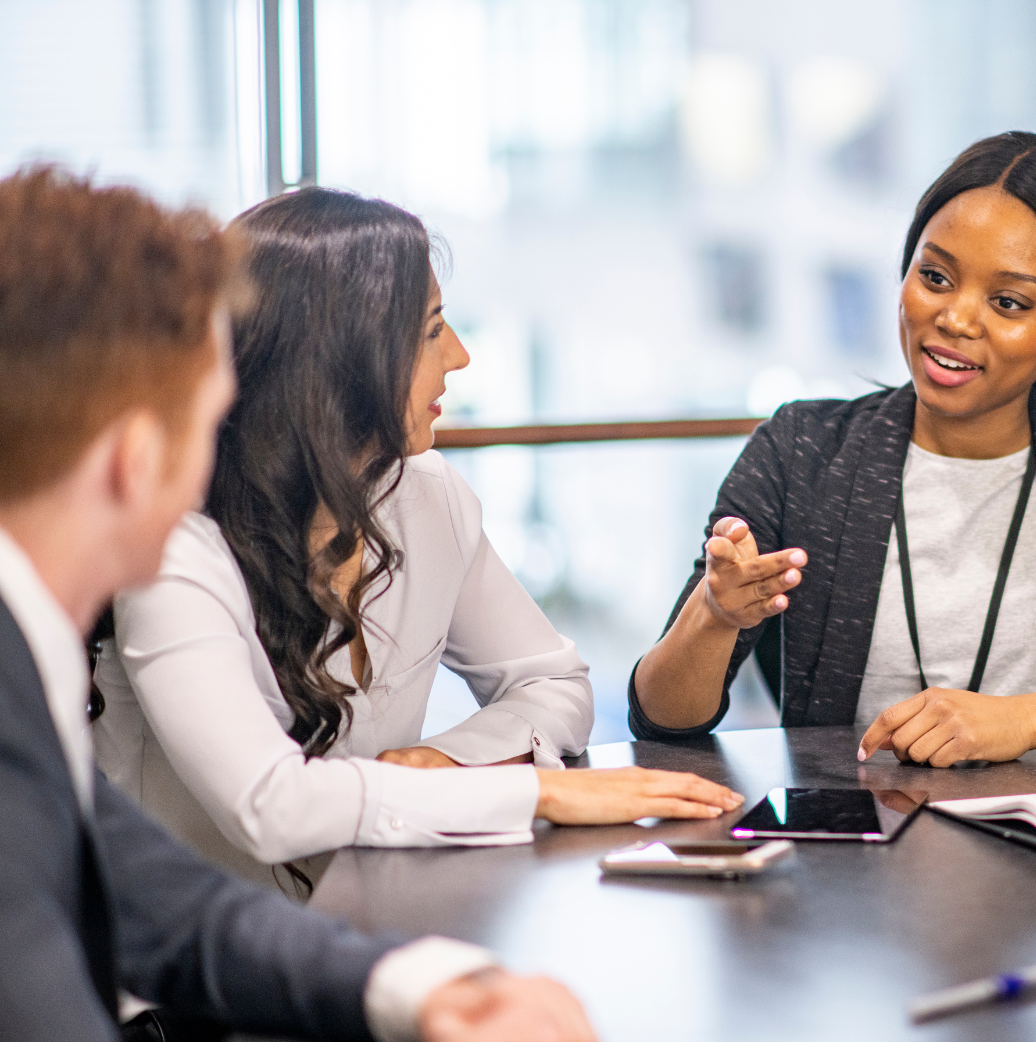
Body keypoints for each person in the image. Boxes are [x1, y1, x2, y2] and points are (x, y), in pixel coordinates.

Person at [0, 165, 597, 1040]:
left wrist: (422, 990)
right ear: (134, 458)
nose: (225, 463)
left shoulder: (33, 650)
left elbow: (157, 899)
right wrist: (531, 795)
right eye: (209, 426)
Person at [93, 186, 741, 889]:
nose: (459, 357)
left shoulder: (425, 495)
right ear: (338, 360)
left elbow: (555, 685)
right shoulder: (174, 549)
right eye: (432, 329)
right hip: (191, 977)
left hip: (361, 925)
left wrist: (449, 761)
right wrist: (537, 793)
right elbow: (268, 806)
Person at [629, 132, 1036, 766]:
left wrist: (1025, 720)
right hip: (854, 856)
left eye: (1007, 302)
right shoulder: (802, 454)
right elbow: (662, 717)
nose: (956, 319)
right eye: (936, 277)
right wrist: (713, 616)